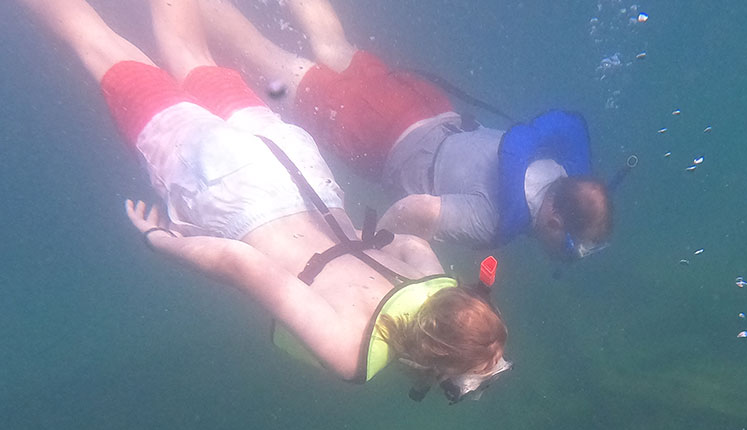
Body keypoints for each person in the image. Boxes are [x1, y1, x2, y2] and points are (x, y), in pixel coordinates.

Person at [18, 0, 511, 403]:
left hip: (295, 164)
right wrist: (159, 241)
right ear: (437, 359)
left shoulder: (435, 279)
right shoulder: (349, 348)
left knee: (194, 56)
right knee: (98, 45)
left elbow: (409, 221)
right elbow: (242, 264)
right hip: (230, 186)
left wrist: (373, 238)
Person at [199, 0, 614, 261]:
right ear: (556, 218)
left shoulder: (558, 168)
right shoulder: (493, 223)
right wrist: (378, 243)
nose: (574, 254)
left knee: (332, 46)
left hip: (426, 104)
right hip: (377, 132)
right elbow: (418, 209)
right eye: (579, 246)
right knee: (263, 56)